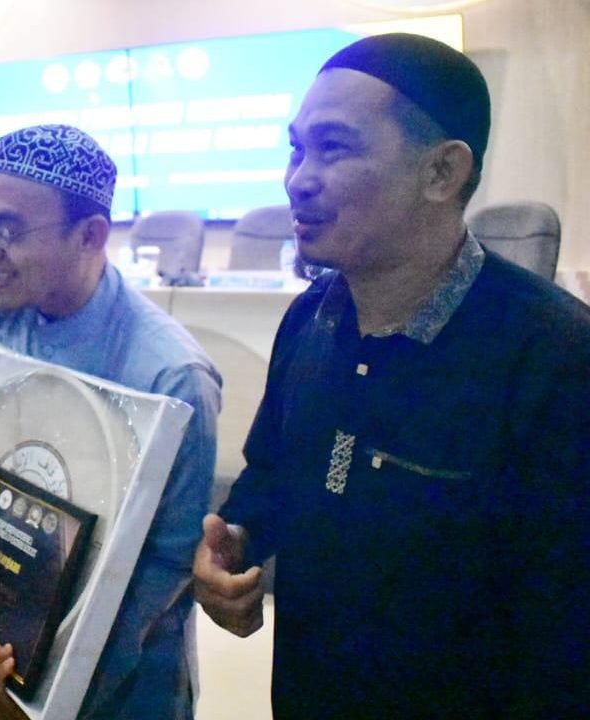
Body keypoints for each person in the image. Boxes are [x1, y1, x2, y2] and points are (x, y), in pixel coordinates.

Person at [194, 33, 590, 718]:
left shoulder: (556, 358)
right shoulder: (310, 319)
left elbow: (566, 632)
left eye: (334, 148)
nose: (298, 179)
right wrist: (236, 541)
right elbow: (272, 475)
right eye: (296, 149)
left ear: (442, 172)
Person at [0, 124, 222, 719]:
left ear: (90, 235)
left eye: (8, 229)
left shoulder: (170, 374)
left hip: (121, 684)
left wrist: (47, 691)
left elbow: (164, 569)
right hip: (1, 656)